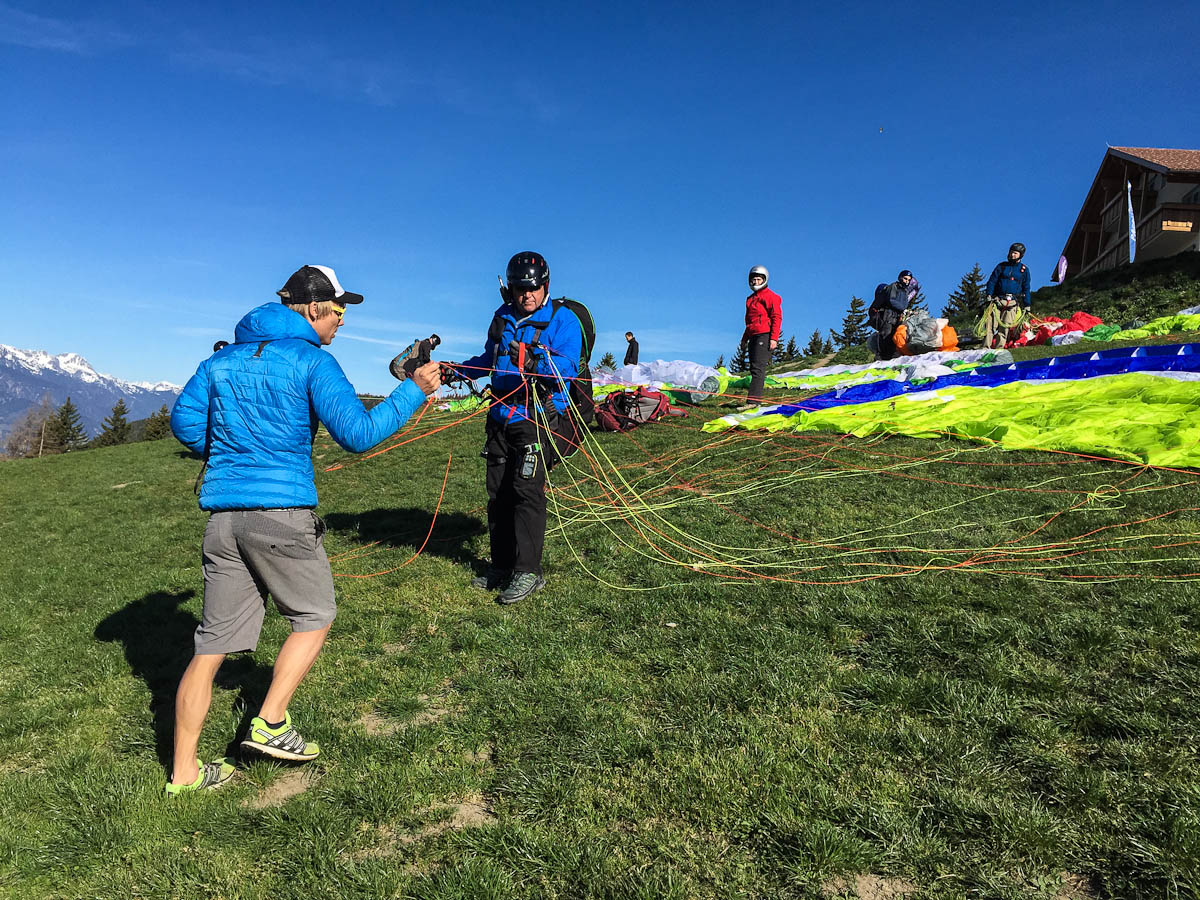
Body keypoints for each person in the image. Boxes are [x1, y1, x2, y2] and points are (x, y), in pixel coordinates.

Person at [167, 264, 441, 794]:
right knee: (315, 616)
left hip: (223, 520)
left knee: (210, 646)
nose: (342, 320)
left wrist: (235, 453)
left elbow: (185, 423)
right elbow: (357, 434)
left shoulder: (220, 361)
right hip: (283, 514)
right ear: (313, 308)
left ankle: (184, 774)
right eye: (338, 310)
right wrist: (413, 391)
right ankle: (270, 722)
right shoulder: (313, 361)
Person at [453, 251, 583, 605]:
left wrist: (534, 360)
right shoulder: (502, 317)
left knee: (527, 492)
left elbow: (568, 367)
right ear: (510, 288)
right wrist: (456, 370)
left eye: (534, 288)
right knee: (498, 493)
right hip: (499, 416)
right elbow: (488, 359)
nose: (527, 295)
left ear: (546, 286)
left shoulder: (563, 320)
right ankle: (501, 565)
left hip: (536, 417)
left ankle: (528, 571)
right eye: (520, 289)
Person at [740, 265, 782, 404]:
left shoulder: (771, 297)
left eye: (758, 279)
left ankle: (753, 402)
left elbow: (776, 317)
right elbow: (749, 322)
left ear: (764, 280)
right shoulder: (750, 299)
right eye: (753, 279)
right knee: (753, 368)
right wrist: (744, 339)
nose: (755, 282)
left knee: (758, 368)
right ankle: (753, 400)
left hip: (764, 334)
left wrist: (774, 338)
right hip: (753, 335)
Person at [982, 242, 1032, 349]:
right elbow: (992, 281)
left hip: (1012, 303)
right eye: (1011, 252)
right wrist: (989, 294)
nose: (1012, 255)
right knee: (990, 325)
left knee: (1004, 327)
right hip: (997, 300)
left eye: (1015, 253)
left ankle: (999, 349)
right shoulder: (1001, 266)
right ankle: (985, 348)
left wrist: (1027, 304)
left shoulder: (1024, 270)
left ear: (1020, 255)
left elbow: (1026, 288)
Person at [868, 269, 920, 360]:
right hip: (888, 315)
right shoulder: (894, 286)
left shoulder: (904, 291)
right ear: (900, 278)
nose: (906, 281)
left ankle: (891, 356)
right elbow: (891, 300)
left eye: (908, 280)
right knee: (886, 334)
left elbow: (904, 304)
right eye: (905, 278)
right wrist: (902, 308)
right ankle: (882, 357)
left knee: (894, 335)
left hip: (897, 316)